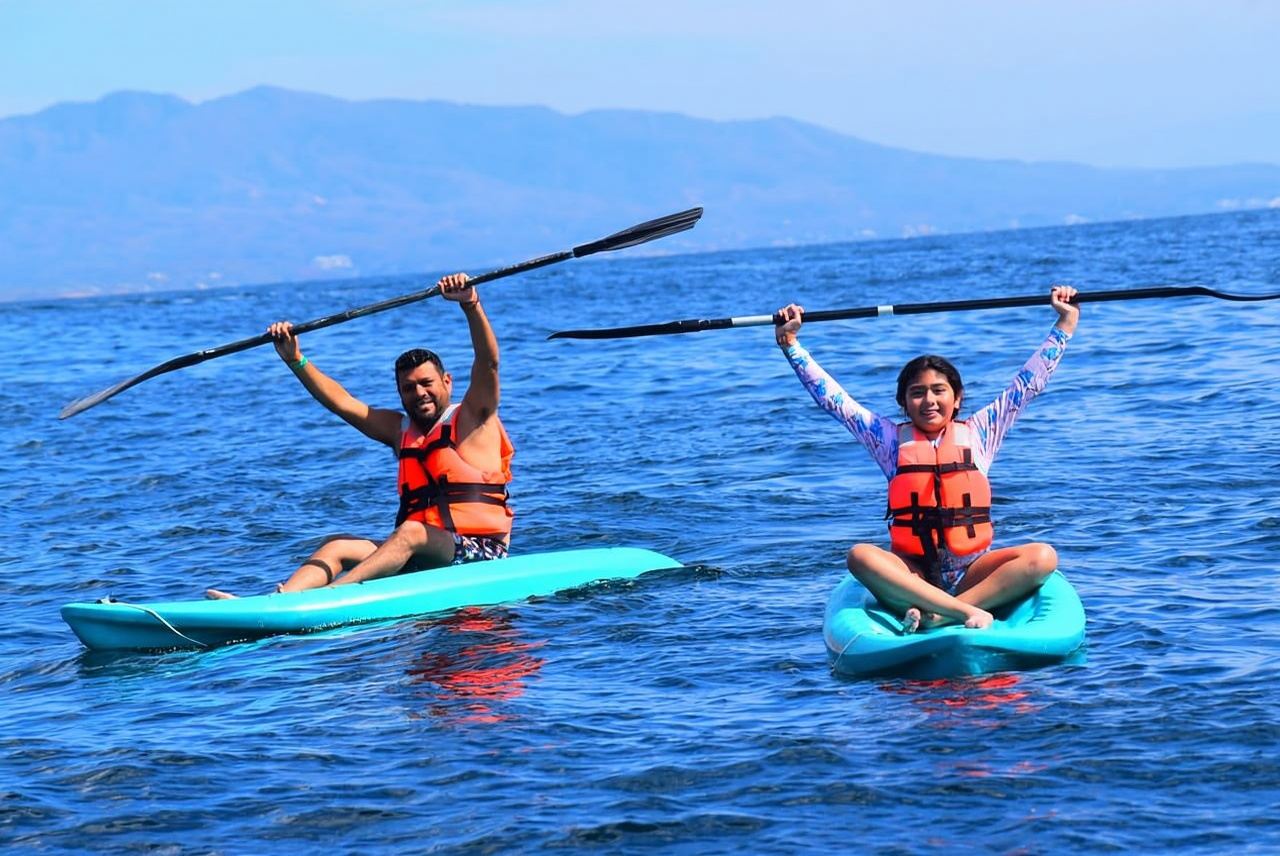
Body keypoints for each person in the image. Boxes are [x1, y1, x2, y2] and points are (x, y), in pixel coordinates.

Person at [774, 285, 1079, 632]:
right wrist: (791, 345)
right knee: (859, 556)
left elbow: (1027, 385)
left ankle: (940, 613)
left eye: (939, 391)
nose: (929, 401)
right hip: (913, 571)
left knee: (1043, 556)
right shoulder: (887, 439)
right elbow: (835, 401)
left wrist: (1065, 324)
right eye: (917, 393)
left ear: (958, 398)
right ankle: (959, 611)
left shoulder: (982, 431)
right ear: (904, 403)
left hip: (973, 570)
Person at [207, 273, 514, 599]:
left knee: (410, 532)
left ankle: (331, 598)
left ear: (447, 382)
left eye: (427, 383)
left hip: (480, 555)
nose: (419, 393)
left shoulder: (473, 417)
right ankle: (277, 603)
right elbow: (342, 403)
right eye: (408, 388)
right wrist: (295, 360)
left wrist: (470, 304)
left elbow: (489, 363)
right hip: (424, 554)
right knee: (337, 545)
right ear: (399, 393)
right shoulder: (400, 432)